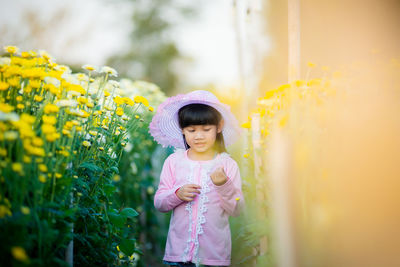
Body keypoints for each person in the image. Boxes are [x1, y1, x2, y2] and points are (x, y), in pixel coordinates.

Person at [149, 90, 245, 267]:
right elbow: (159, 203)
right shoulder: (174, 161)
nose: (198, 136)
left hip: (214, 257)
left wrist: (223, 185)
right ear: (182, 130)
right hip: (178, 257)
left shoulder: (227, 165)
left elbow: (237, 209)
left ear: (219, 126)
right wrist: (177, 194)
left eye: (206, 129)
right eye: (191, 130)